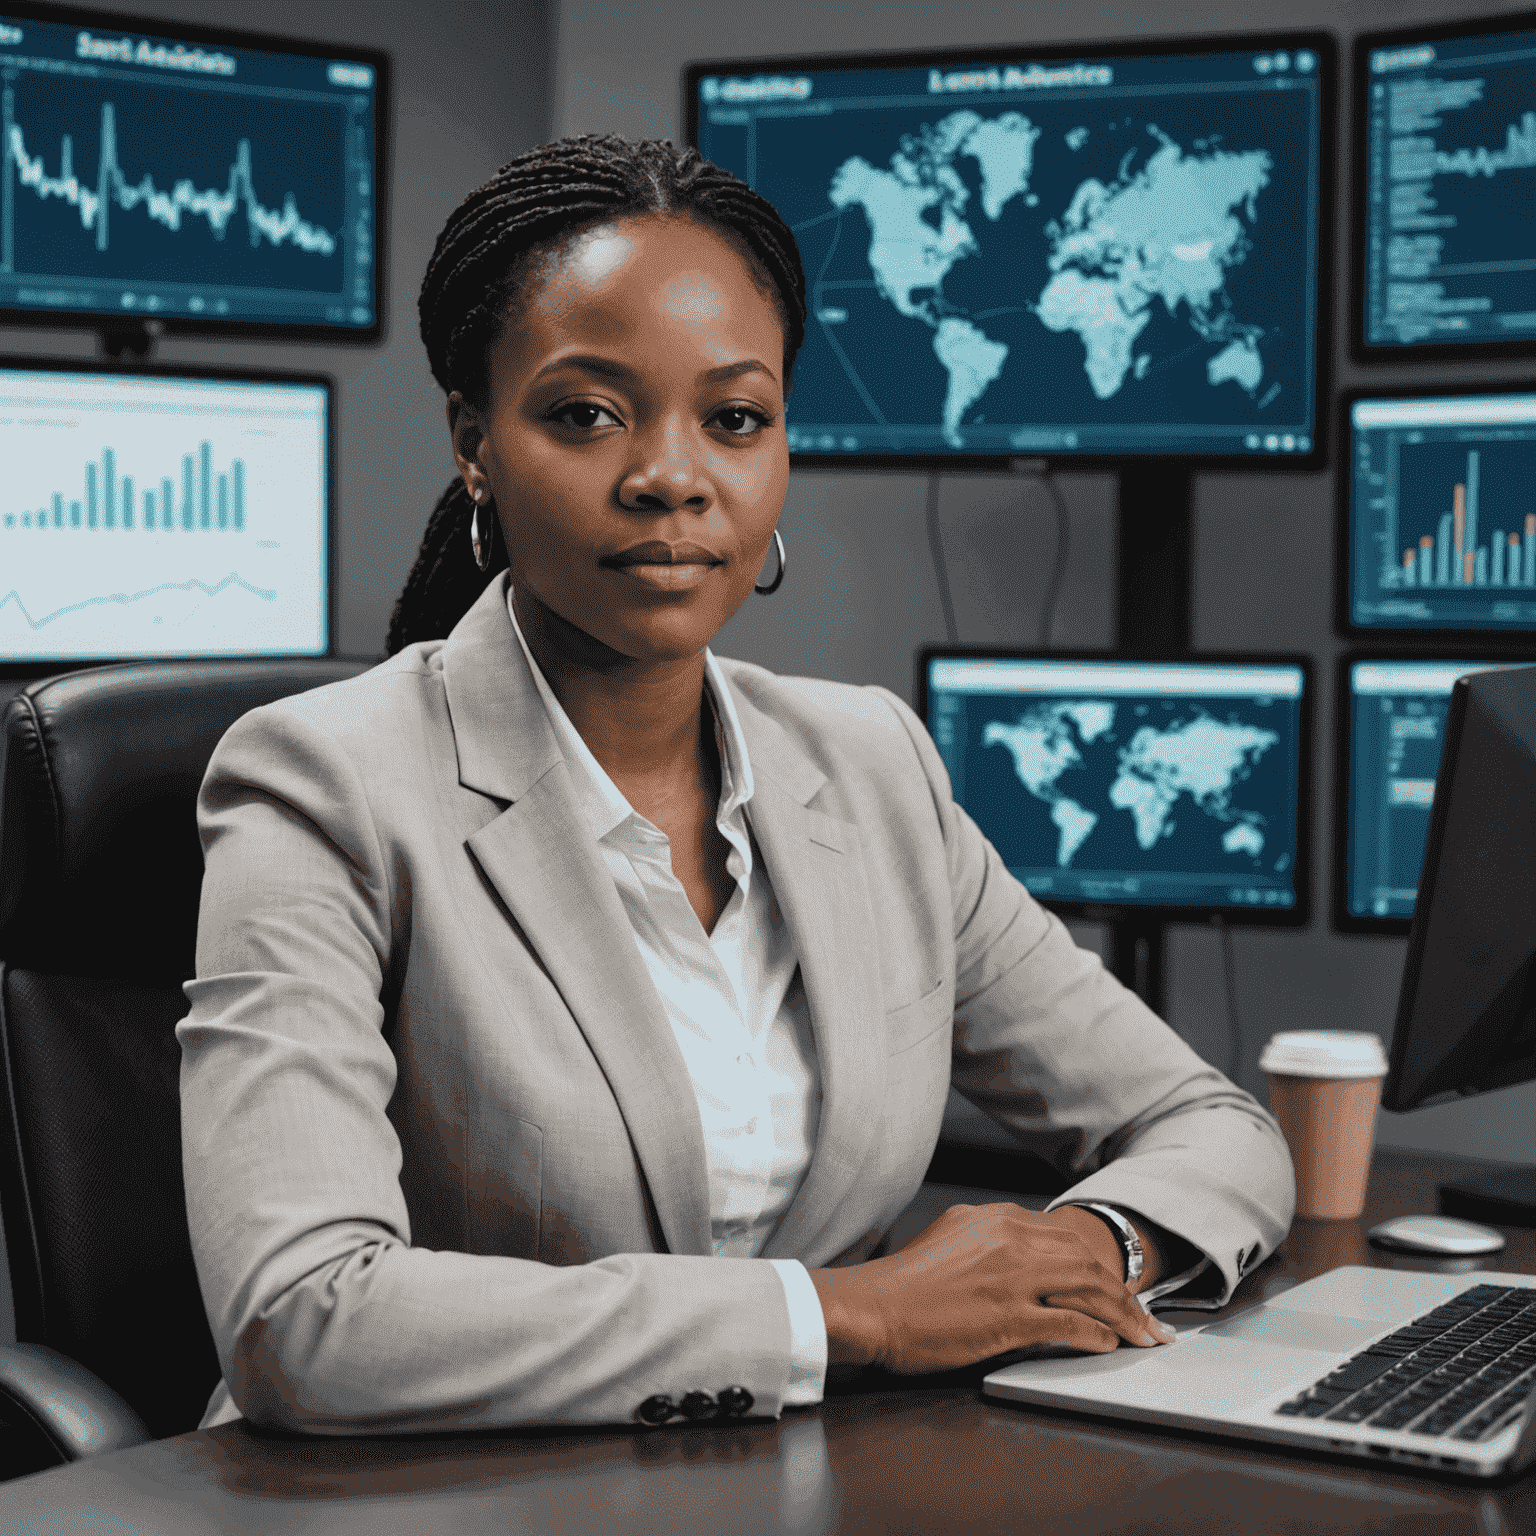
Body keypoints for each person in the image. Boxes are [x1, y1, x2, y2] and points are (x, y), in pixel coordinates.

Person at [179, 135, 1295, 1434]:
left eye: (734, 418)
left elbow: (1207, 1123)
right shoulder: (320, 782)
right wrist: (850, 1313)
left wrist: (1092, 1258)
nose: (671, 474)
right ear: (475, 444)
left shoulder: (868, 763)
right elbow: (305, 1321)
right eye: (587, 413)